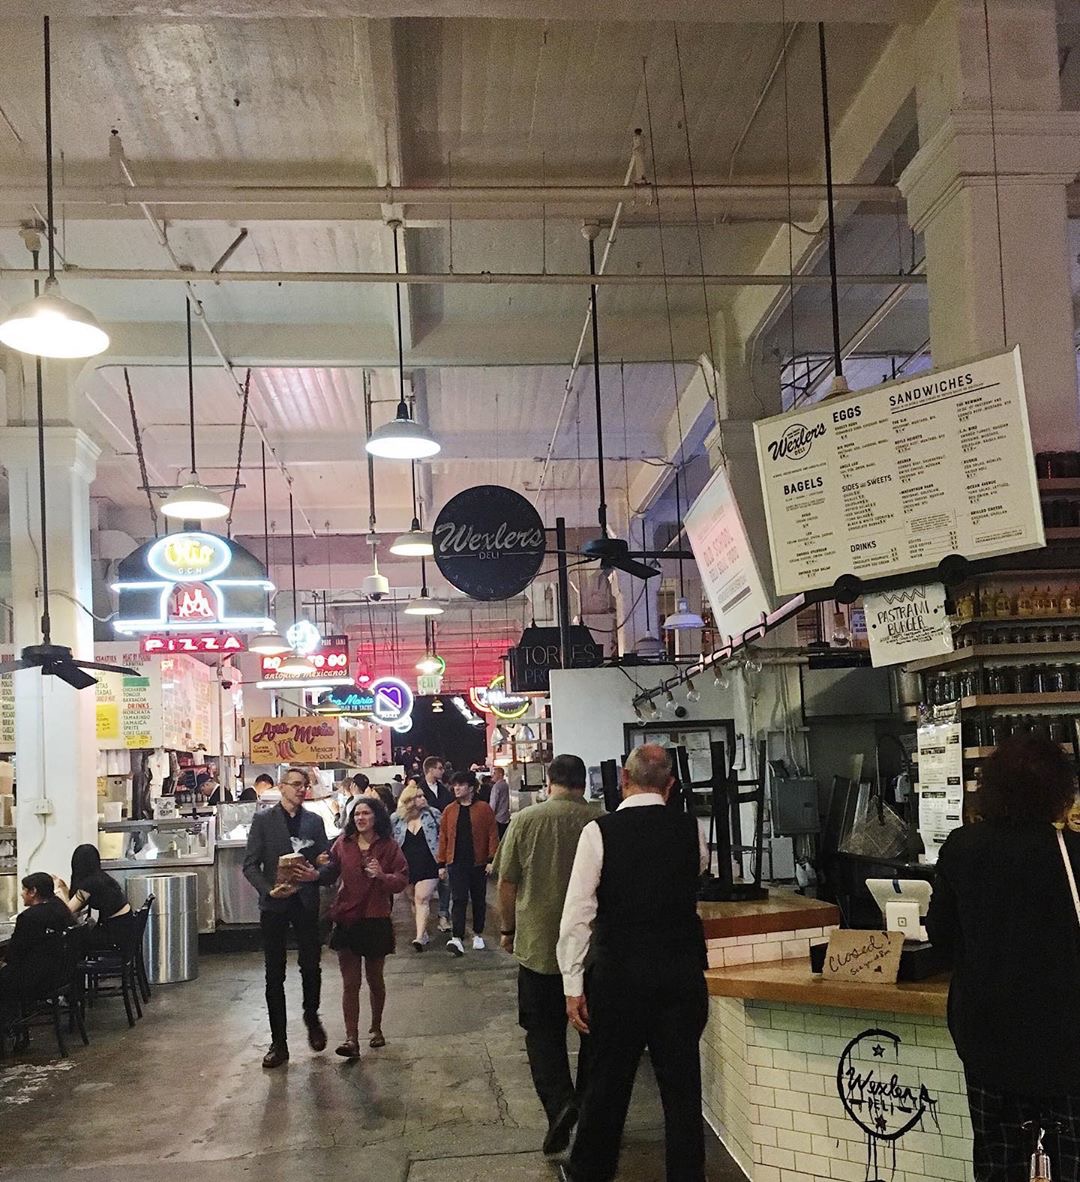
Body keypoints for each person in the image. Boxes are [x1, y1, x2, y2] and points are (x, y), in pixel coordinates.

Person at [926, 732, 1080, 1181]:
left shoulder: (961, 847)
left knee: (996, 1162)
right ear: (1059, 792)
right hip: (1066, 1045)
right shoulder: (1071, 853)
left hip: (987, 1040)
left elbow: (940, 936)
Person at [556, 744, 708, 1182]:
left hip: (618, 976)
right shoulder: (689, 829)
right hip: (680, 976)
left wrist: (572, 984)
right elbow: (697, 870)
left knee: (608, 1084)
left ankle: (591, 1173)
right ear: (671, 785)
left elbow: (578, 913)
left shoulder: (599, 832)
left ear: (623, 780)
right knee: (681, 1089)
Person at [494, 754, 601, 1156]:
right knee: (594, 1036)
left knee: (542, 1035)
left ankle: (559, 1103)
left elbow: (507, 884)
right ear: (583, 783)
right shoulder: (602, 819)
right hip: (591, 950)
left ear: (550, 781)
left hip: (539, 947)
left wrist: (508, 930)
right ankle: (590, 1117)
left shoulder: (525, 821)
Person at [242, 766, 332, 1069]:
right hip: (275, 906)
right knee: (273, 974)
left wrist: (318, 871)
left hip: (306, 902)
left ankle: (311, 1014)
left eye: (304, 785)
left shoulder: (314, 822)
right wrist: (269, 891)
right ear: (281, 788)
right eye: (294, 785)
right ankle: (278, 1042)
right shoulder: (263, 822)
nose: (300, 790)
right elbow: (250, 865)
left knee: (311, 965)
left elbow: (328, 862)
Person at [323, 796, 407, 1059]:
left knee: (375, 979)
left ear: (376, 818)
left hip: (376, 918)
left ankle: (376, 1028)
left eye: (366, 814)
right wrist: (316, 868)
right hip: (348, 918)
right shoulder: (342, 844)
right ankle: (351, 1038)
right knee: (350, 983)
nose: (360, 818)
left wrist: (383, 876)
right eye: (356, 814)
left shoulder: (389, 846)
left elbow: (402, 879)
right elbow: (330, 871)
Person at [0, 873, 74, 1031]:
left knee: (5, 977)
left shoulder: (28, 918)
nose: (21, 893)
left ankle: (8, 1027)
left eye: (23, 889)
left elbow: (14, 955)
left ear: (33, 891)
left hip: (37, 980)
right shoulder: (59, 907)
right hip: (61, 974)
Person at [437, 770, 499, 957]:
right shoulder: (449, 810)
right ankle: (457, 936)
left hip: (479, 862)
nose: (456, 788)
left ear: (471, 788)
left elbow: (492, 834)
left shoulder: (484, 808)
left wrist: (491, 859)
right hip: (456, 862)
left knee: (479, 899)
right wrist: (441, 863)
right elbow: (444, 837)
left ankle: (478, 933)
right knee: (458, 899)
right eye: (455, 785)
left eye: (461, 785)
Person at [56, 844, 137, 953]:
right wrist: (65, 889)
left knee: (71, 942)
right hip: (123, 929)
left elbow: (68, 911)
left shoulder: (89, 884)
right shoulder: (101, 878)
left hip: (114, 935)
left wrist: (60, 891)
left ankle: (74, 970)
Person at [392, 782, 442, 951]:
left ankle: (419, 937)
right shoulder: (396, 818)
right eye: (418, 796)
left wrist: (443, 863)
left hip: (429, 863)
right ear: (409, 800)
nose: (423, 799)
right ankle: (423, 932)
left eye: (423, 795)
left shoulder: (433, 814)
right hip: (406, 864)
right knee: (414, 898)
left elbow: (444, 837)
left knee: (422, 897)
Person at [421, 756, 453, 930]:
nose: (442, 771)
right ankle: (422, 924)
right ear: (430, 769)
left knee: (444, 881)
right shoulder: (417, 790)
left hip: (441, 841)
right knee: (421, 883)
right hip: (422, 842)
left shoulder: (445, 791)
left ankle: (443, 916)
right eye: (439, 768)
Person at [489, 766, 511, 839]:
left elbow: (493, 803)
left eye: (494, 773)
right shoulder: (506, 785)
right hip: (505, 816)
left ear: (500, 774)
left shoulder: (496, 786)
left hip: (497, 818)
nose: (493, 775)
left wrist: (490, 815)